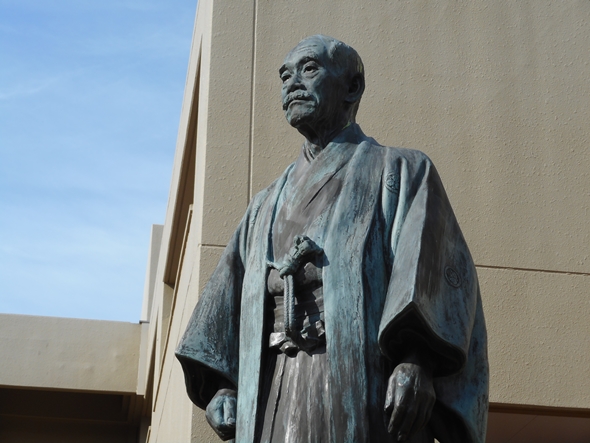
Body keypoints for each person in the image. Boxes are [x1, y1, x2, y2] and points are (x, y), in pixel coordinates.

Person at [176, 35, 488, 443]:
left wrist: (417, 361)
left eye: (308, 69)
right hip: (273, 387)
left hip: (362, 383)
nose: (291, 84)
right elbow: (222, 305)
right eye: (284, 76)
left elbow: (433, 275)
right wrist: (222, 385)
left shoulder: (402, 172)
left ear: (352, 86)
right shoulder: (263, 205)